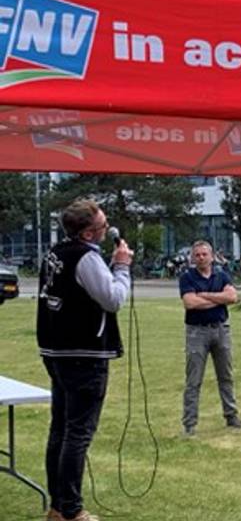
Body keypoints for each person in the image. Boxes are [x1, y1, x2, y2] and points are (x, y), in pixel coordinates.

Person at [37, 199, 133, 521]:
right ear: (90, 232)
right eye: (104, 226)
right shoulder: (87, 257)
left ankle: (57, 507)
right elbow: (113, 299)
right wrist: (121, 267)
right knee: (77, 434)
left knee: (61, 430)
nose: (108, 230)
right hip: (83, 355)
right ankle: (72, 510)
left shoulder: (55, 253)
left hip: (57, 352)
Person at [178, 240, 241, 436]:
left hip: (221, 329)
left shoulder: (221, 275)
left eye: (204, 254)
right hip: (197, 332)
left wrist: (204, 295)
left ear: (212, 256)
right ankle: (190, 424)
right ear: (192, 258)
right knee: (194, 379)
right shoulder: (187, 278)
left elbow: (232, 298)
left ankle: (231, 416)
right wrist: (217, 298)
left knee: (226, 375)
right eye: (197, 255)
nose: (201, 258)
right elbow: (190, 303)